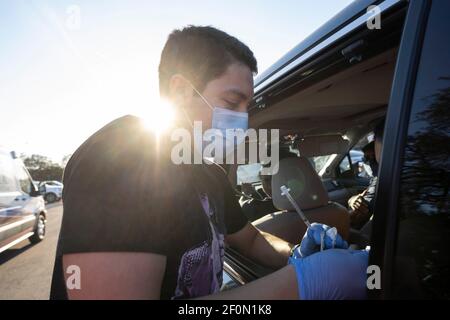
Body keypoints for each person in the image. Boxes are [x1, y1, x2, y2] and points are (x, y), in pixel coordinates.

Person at [50, 26, 367, 300]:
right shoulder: (119, 157)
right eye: (232, 102)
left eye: (247, 106)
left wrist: (297, 256)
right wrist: (303, 284)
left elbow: (252, 239)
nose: (242, 119)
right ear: (181, 90)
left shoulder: (208, 175)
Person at [348, 120, 385, 229]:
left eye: (371, 158)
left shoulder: (384, 179)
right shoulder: (379, 177)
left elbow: (356, 217)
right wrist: (353, 200)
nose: (369, 162)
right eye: (366, 159)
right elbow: (365, 196)